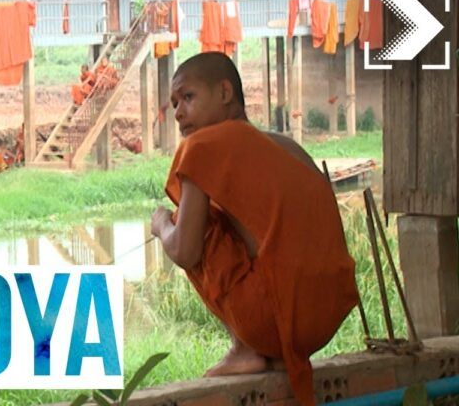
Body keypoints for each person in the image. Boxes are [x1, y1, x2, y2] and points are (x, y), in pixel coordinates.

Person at [150, 52, 359, 406]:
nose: (179, 113)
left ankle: (244, 348)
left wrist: (160, 225)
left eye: (188, 97)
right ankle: (273, 350)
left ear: (225, 92)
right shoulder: (287, 146)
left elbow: (185, 251)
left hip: (276, 320)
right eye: (174, 104)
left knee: (188, 223)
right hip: (323, 320)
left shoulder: (202, 146)